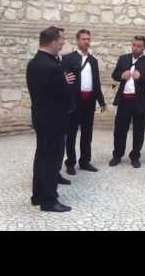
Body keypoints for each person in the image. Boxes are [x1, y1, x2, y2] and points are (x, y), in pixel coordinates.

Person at [26, 26, 76, 213]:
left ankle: (37, 195)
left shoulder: (34, 63)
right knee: (52, 161)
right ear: (53, 41)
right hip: (54, 121)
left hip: (40, 118)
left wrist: (62, 80)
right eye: (61, 39)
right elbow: (63, 96)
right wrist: (66, 83)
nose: (63, 42)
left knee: (41, 157)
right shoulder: (52, 67)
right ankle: (49, 201)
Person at [62, 29, 107, 175]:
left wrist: (101, 102)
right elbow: (61, 78)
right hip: (74, 102)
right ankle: (70, 163)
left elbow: (96, 83)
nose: (86, 41)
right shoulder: (68, 58)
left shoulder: (93, 61)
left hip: (89, 102)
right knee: (71, 134)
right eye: (83, 39)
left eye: (88, 39)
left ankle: (85, 161)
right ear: (77, 40)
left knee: (87, 133)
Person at [109, 36, 145, 169]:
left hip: (140, 102)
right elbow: (114, 74)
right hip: (124, 100)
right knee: (119, 130)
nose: (135, 48)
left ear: (144, 48)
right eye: (134, 45)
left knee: (138, 131)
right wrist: (121, 76)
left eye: (139, 46)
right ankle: (117, 155)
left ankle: (135, 156)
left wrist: (141, 78)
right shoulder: (123, 59)